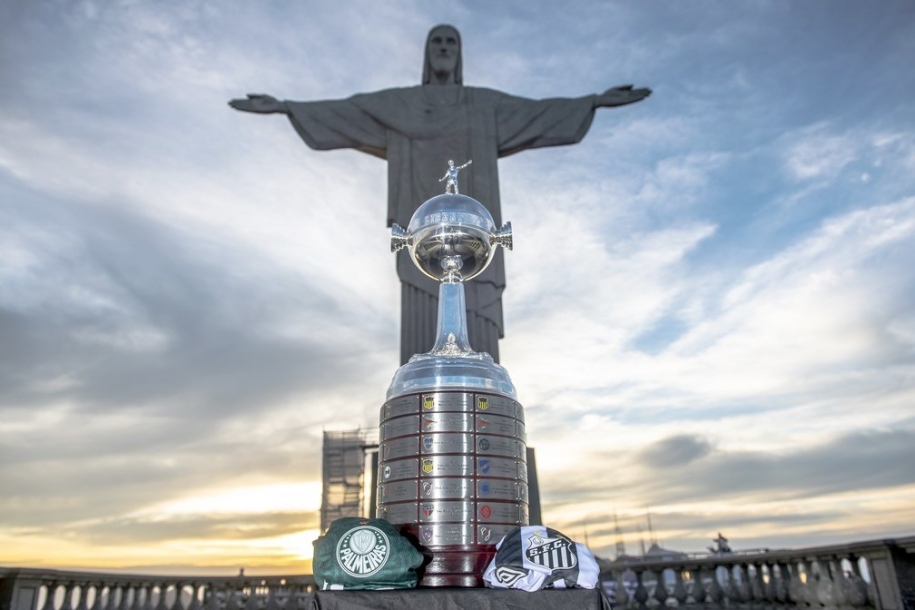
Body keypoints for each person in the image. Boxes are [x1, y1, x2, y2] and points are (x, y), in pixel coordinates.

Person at [230, 25, 650, 364]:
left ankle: (481, 409)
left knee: (477, 329)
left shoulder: (483, 105)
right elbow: (348, 111)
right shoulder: (401, 104)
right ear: (427, 53)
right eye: (437, 42)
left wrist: (594, 101)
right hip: (420, 235)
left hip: (477, 238)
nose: (444, 48)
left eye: (451, 42)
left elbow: (538, 111)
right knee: (419, 329)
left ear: (460, 53)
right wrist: (286, 107)